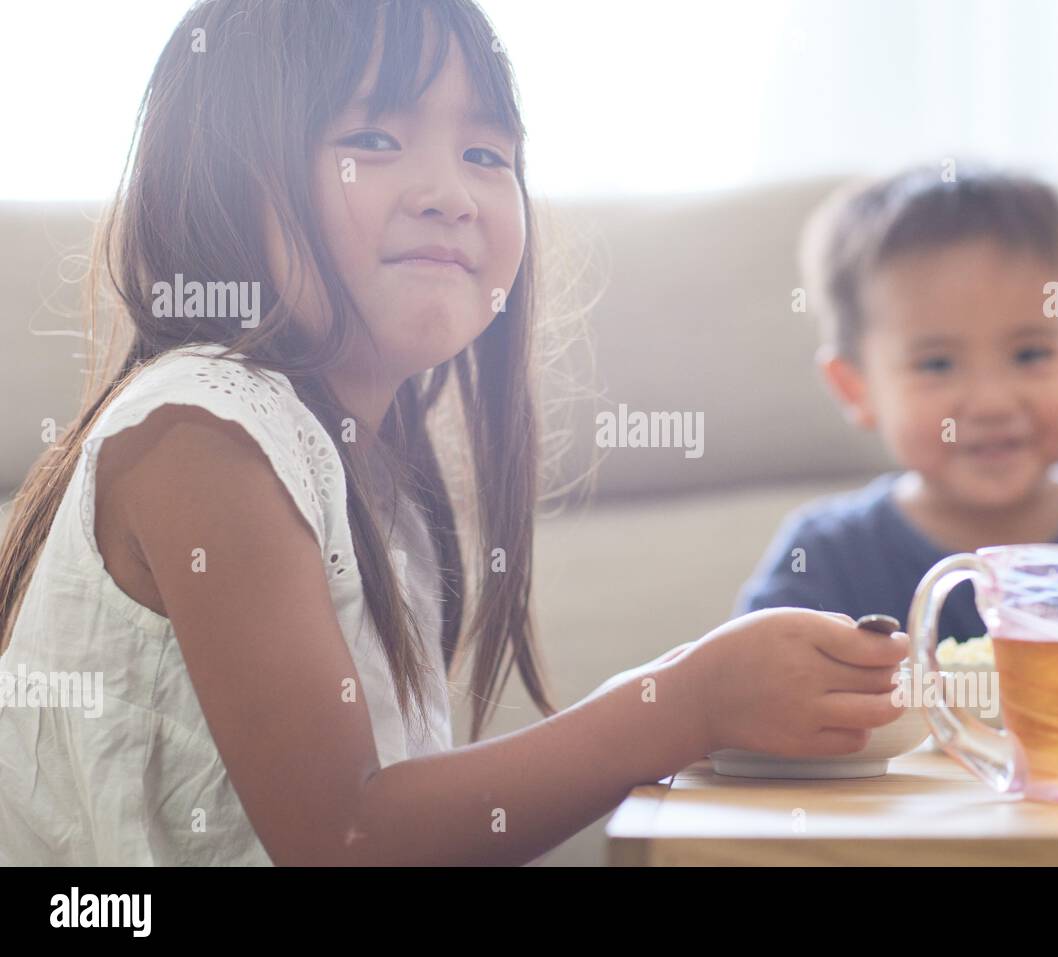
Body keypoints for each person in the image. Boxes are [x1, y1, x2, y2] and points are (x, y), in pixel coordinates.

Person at [0, 0, 906, 866]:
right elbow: (345, 837)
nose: (450, 194)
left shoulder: (377, 468)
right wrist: (686, 702)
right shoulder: (205, 432)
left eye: (485, 153)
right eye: (372, 141)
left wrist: (691, 680)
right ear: (220, 182)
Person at [736, 167, 1058, 639]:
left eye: (1030, 354)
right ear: (856, 388)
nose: (992, 403)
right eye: (937, 365)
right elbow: (751, 699)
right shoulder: (826, 556)